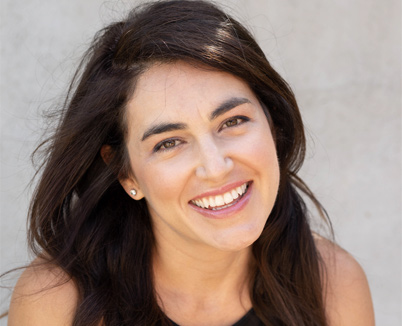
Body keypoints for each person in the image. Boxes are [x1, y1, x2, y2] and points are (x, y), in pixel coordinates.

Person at [7, 0, 375, 325]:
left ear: (273, 124)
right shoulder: (57, 303)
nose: (215, 167)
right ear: (125, 171)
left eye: (232, 122)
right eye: (169, 143)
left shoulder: (334, 284)